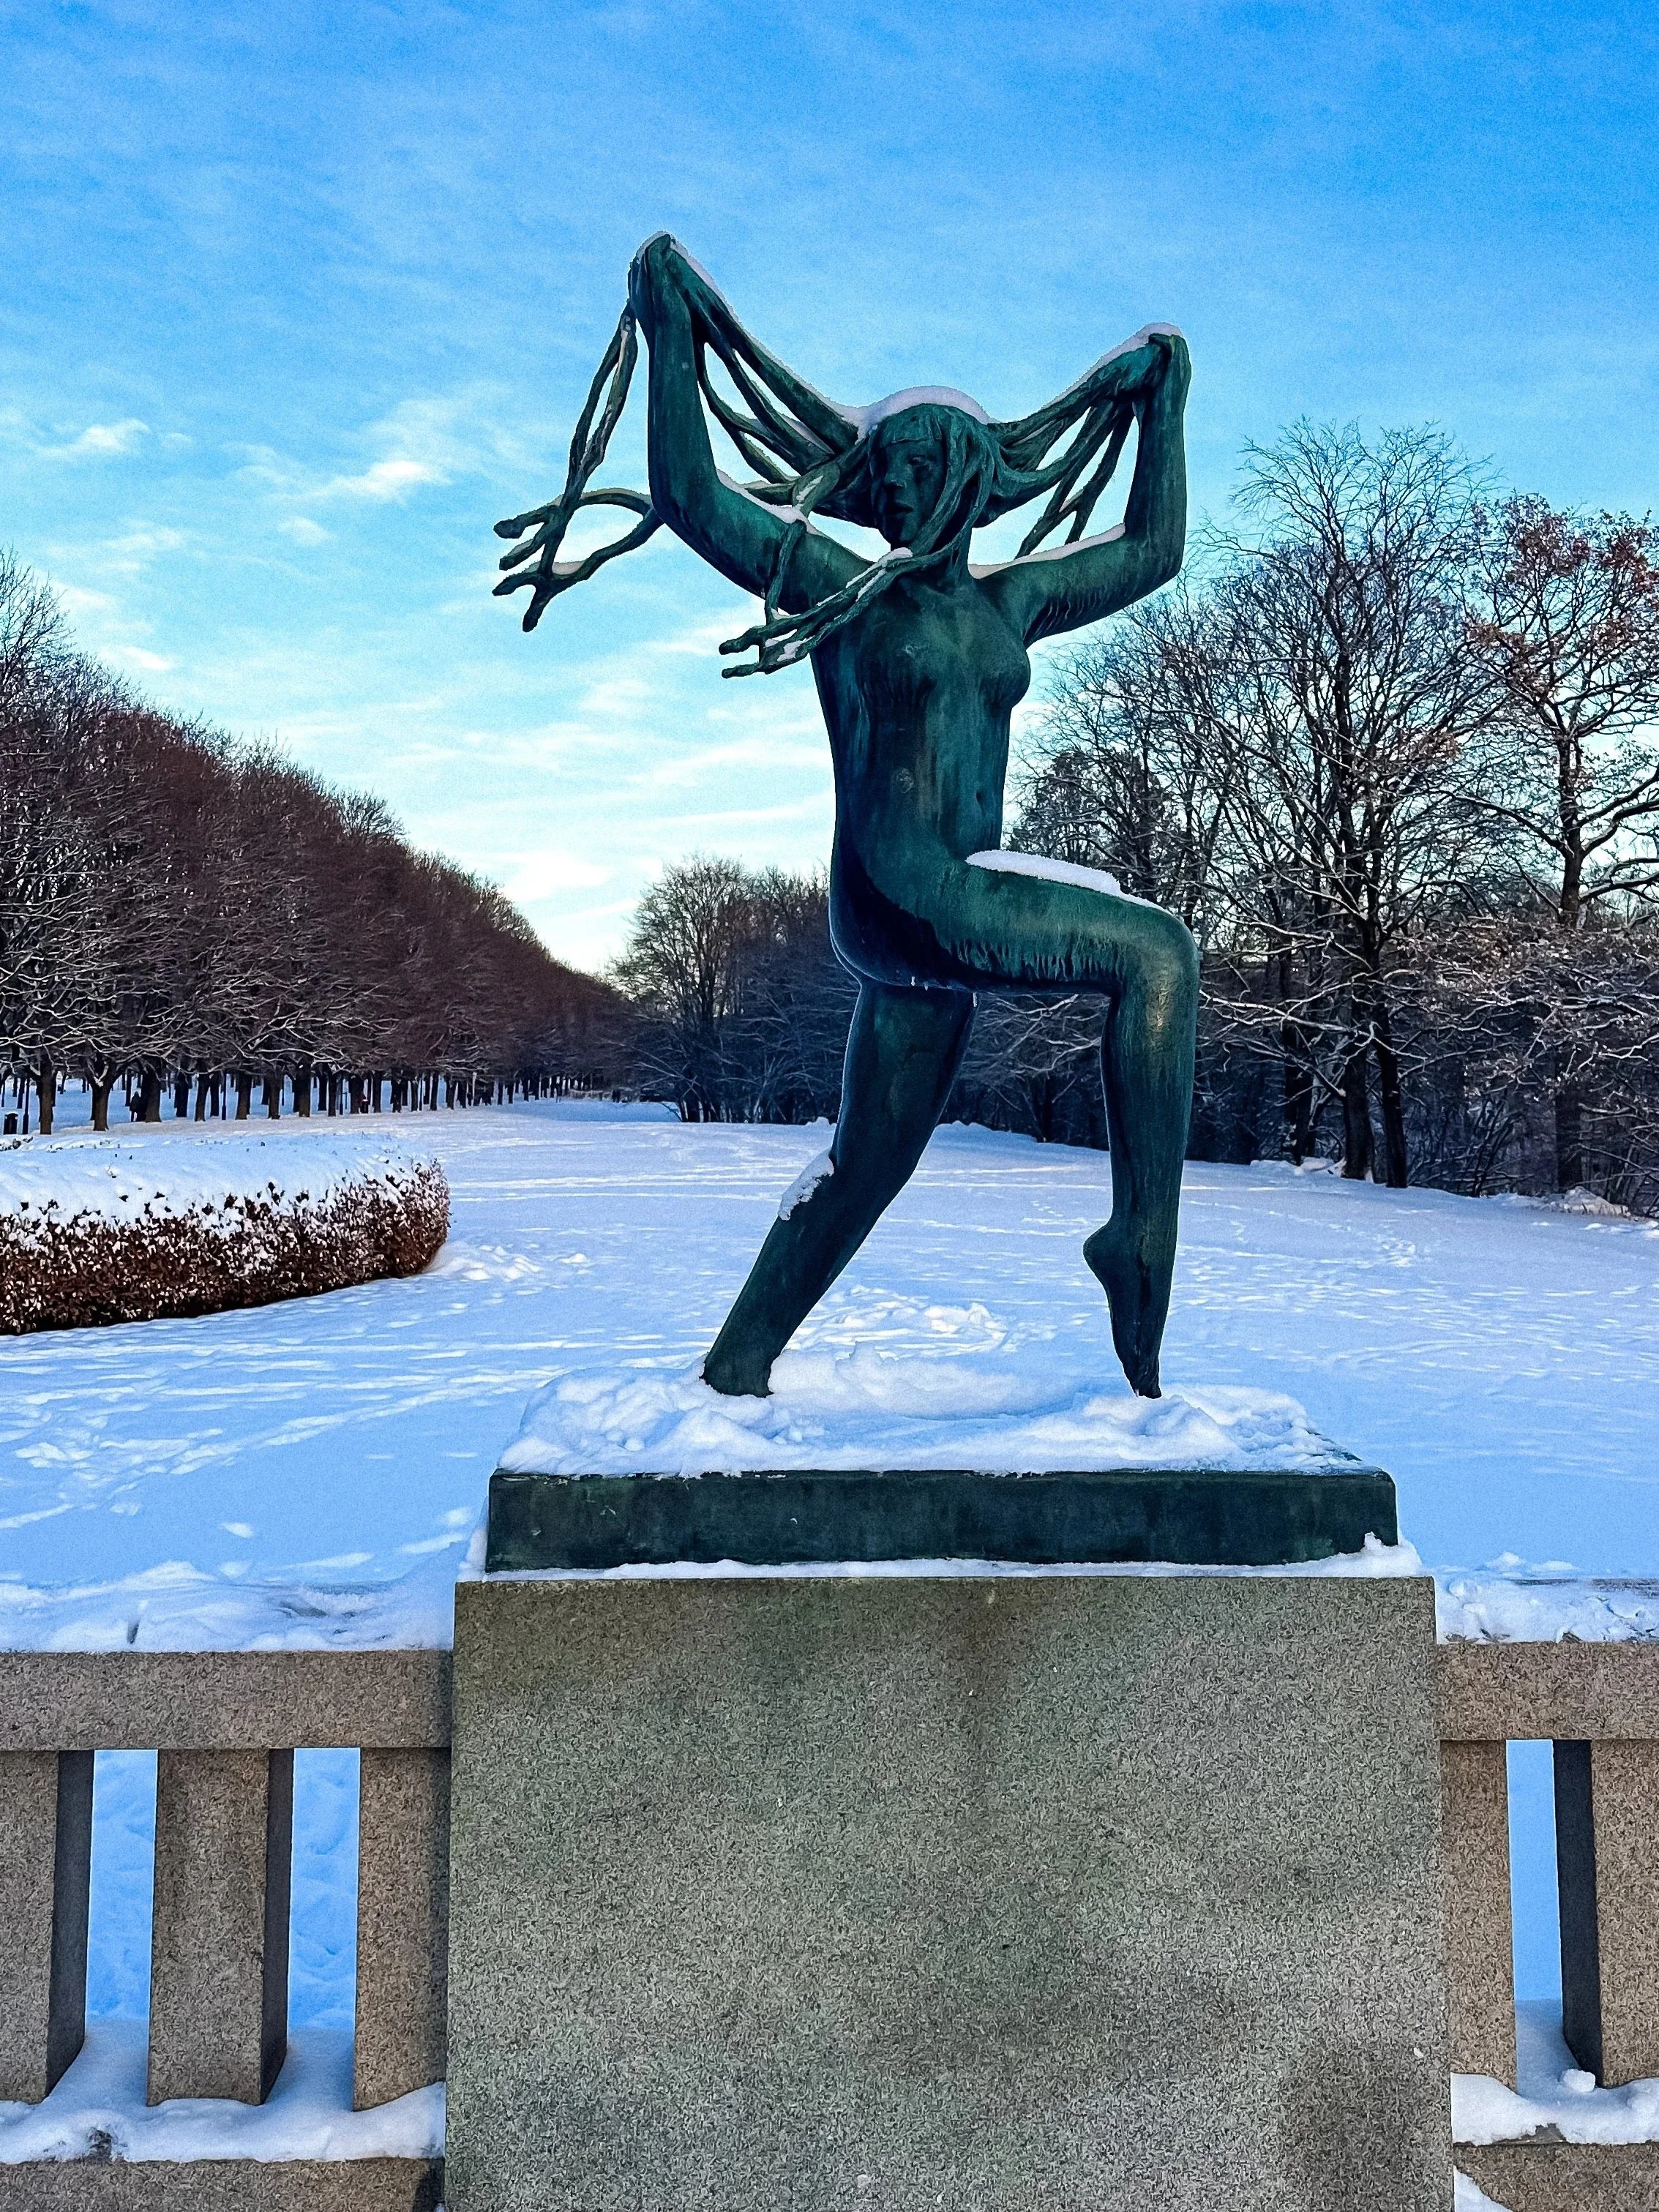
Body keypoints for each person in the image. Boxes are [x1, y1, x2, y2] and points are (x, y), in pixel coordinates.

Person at [498, 236, 1198, 1398]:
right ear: (875, 492)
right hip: (899, 884)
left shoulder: (1010, 605)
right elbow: (692, 497)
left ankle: (736, 1361)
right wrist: (674, 334)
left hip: (950, 902)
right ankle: (1135, 1235)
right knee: (1156, 951)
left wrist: (1165, 406)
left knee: (862, 1165)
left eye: (941, 468)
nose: (919, 490)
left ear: (977, 483)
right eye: (902, 472)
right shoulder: (841, 589)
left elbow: (1151, 553)